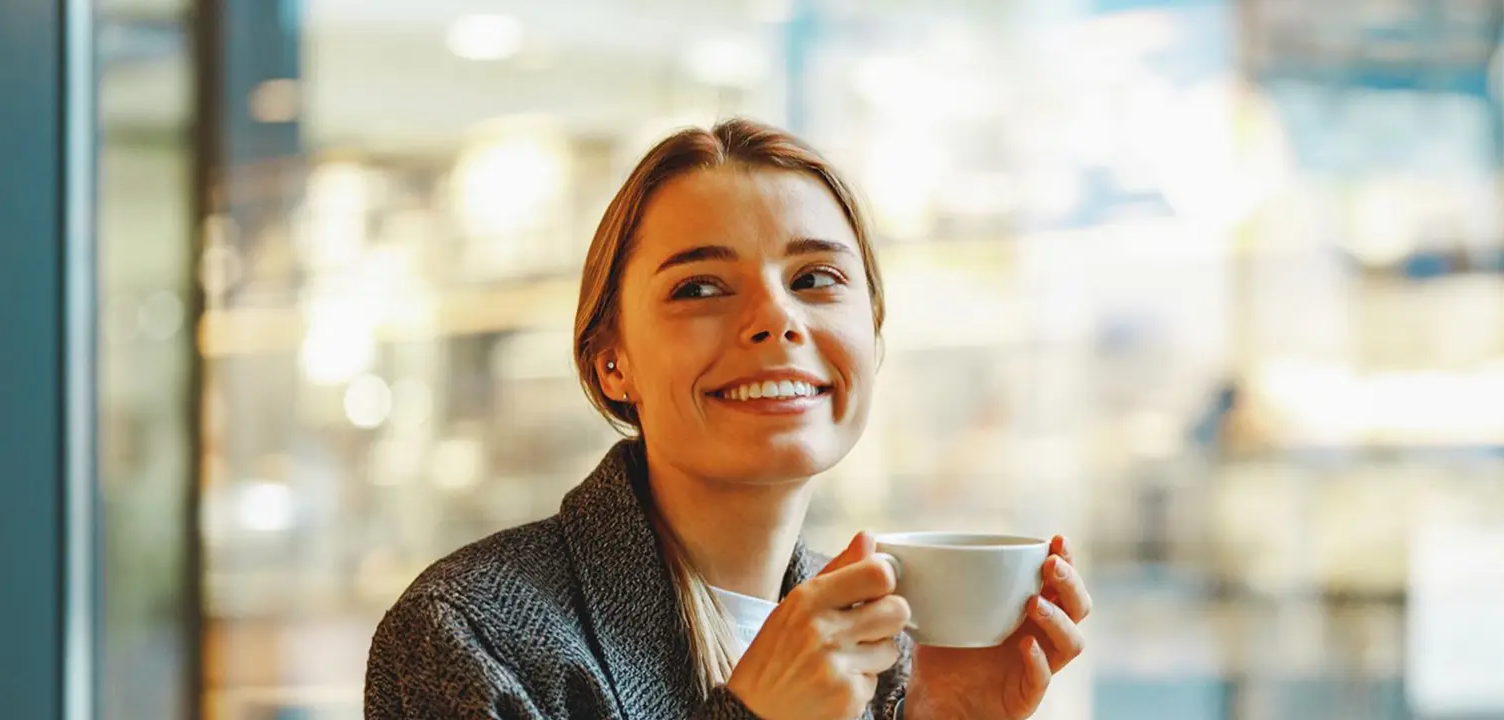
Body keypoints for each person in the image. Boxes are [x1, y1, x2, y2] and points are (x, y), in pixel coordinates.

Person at [364, 118, 1092, 719]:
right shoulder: (470, 634)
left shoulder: (890, 655)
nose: (776, 318)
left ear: (872, 335)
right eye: (700, 288)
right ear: (612, 361)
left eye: (815, 278)